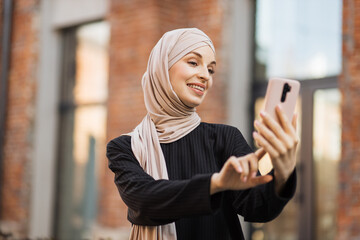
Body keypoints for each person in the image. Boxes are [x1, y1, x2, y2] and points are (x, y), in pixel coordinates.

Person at [106, 28, 299, 240]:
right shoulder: (126, 147)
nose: (205, 75)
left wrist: (283, 173)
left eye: (211, 70)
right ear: (162, 66)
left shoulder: (225, 138)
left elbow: (258, 207)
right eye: (193, 62)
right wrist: (217, 184)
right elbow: (144, 201)